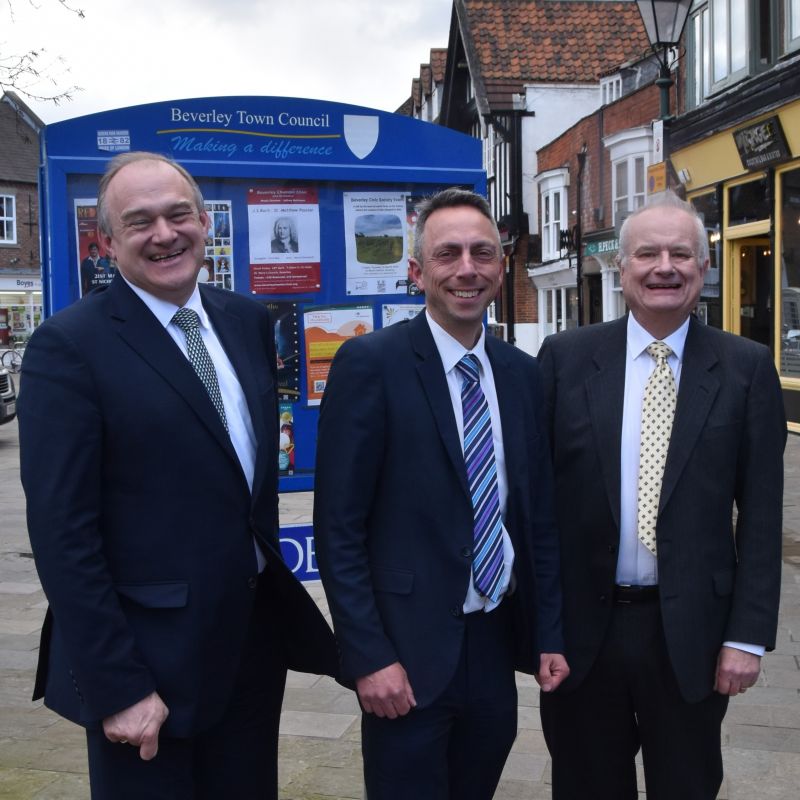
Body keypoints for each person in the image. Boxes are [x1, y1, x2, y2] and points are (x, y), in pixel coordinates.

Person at [18, 151, 337, 800]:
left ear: (203, 222)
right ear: (105, 241)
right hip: (148, 664)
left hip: (249, 650)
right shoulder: (69, 347)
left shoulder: (246, 320)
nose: (164, 234)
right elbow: (63, 536)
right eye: (139, 222)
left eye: (177, 214)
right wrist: (118, 686)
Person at [314, 187, 569, 800]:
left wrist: (550, 635)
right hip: (405, 652)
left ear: (502, 268)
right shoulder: (369, 364)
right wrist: (368, 656)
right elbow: (339, 529)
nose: (466, 269)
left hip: (491, 645)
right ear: (417, 270)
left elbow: (535, 519)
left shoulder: (520, 373)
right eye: (448, 253)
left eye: (482, 253)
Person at [538, 191, 786, 800]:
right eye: (647, 253)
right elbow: (536, 503)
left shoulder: (746, 368)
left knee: (687, 785)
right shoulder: (565, 360)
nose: (664, 266)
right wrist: (540, 627)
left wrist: (746, 636)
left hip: (693, 636)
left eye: (682, 253)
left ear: (704, 269)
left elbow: (761, 513)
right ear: (621, 269)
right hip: (582, 636)